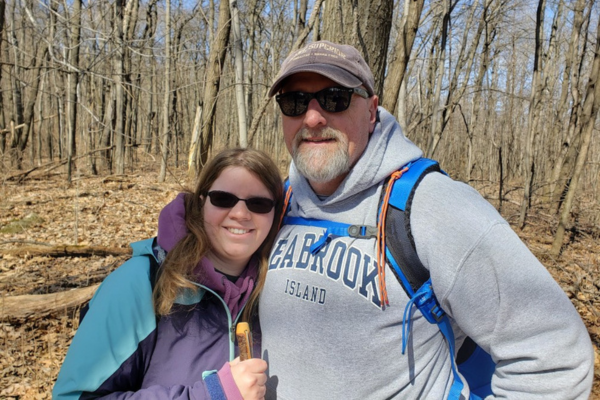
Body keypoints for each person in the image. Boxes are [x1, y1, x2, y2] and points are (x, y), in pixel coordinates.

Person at [259, 40, 594, 399]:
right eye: (293, 102)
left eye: (335, 98)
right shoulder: (277, 203)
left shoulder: (434, 207)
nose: (312, 117)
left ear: (371, 111)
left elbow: (555, 355)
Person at [53, 148, 283, 400]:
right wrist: (214, 394)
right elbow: (73, 396)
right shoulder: (141, 283)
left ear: (275, 213)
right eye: (223, 199)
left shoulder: (277, 289)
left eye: (258, 204)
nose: (240, 214)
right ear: (200, 203)